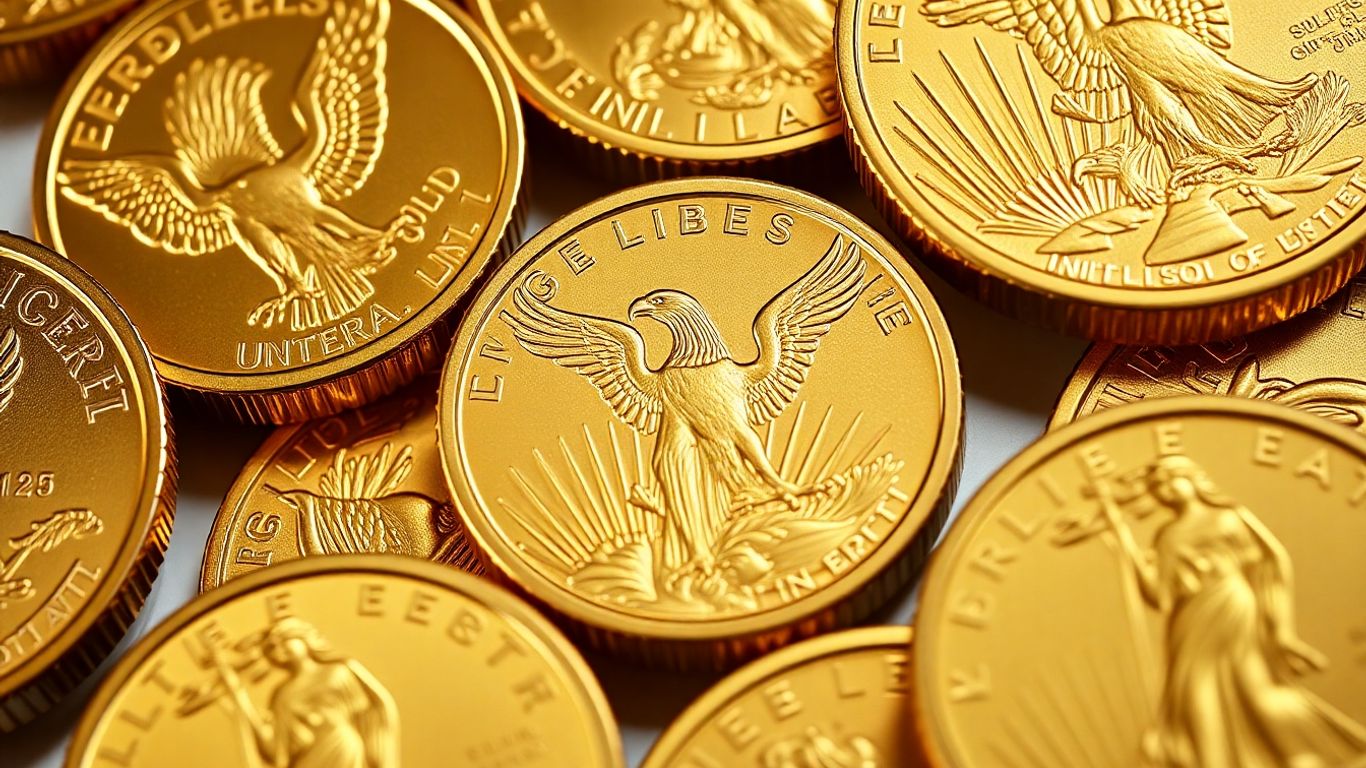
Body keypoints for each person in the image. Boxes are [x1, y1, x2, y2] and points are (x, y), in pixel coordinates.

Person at [1098, 454, 1366, 767]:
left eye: (1171, 479)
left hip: (1232, 607)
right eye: (1158, 486)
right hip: (1188, 621)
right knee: (1195, 695)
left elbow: (1272, 561)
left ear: (1193, 477)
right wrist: (1124, 541)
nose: (1165, 489)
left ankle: (1309, 753)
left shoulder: (1227, 515)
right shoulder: (1166, 536)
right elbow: (1159, 596)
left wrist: (1280, 631)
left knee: (1252, 686)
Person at [212, 617, 398, 768]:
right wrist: (239, 697)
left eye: (284, 641)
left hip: (341, 747)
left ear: (303, 638)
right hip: (307, 759)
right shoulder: (282, 694)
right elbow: (277, 750)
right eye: (271, 648)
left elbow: (372, 712)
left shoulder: (338, 671)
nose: (278, 651)